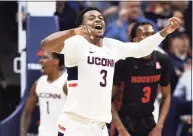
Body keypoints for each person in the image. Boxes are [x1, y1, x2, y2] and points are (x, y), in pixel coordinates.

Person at [41, 7, 180, 136]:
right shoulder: (76, 44)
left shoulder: (111, 46)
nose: (98, 19)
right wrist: (73, 32)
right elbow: (46, 44)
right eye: (91, 18)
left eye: (100, 18)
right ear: (81, 26)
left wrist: (165, 32)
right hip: (75, 124)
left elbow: (141, 49)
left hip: (100, 127)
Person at [111, 22, 171, 136]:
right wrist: (121, 129)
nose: (151, 38)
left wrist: (159, 126)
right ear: (135, 40)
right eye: (145, 34)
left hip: (148, 119)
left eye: (153, 34)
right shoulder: (123, 61)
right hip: (122, 119)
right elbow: (108, 99)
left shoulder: (163, 60)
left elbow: (166, 95)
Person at [20, 50, 67, 136]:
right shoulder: (39, 83)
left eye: (45, 58)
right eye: (41, 58)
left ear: (56, 62)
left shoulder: (65, 83)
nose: (40, 61)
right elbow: (26, 113)